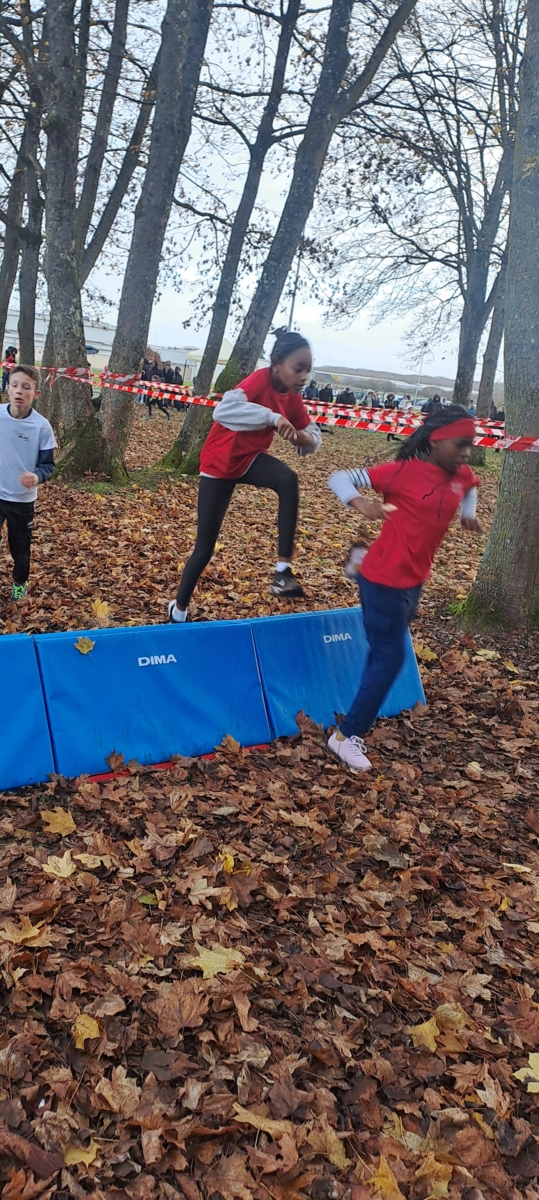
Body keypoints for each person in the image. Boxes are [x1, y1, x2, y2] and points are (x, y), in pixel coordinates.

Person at [326, 404, 481, 772]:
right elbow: (339, 477)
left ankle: (359, 563)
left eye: (470, 445)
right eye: (460, 444)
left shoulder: (460, 474)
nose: (466, 453)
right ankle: (345, 737)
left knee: (383, 651)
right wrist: (362, 504)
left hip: (414, 579)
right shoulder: (401, 473)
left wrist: (468, 513)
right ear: (436, 440)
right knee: (390, 657)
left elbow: (471, 486)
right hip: (385, 580)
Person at [167, 329, 322, 621]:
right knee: (204, 549)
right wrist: (271, 417)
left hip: (250, 459)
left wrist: (306, 439)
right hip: (219, 464)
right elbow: (223, 411)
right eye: (298, 369)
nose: (304, 377)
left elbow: (312, 434)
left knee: (288, 479)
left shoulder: (292, 397)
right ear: (276, 365)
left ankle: (283, 572)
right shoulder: (259, 381)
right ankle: (178, 611)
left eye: (308, 370)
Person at [0, 365, 56, 601]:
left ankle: (19, 584)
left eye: (26, 387)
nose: (19, 391)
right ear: (8, 389)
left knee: (20, 548)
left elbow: (48, 465)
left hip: (21, 501)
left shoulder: (41, 426)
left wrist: (37, 477)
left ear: (36, 393)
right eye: (14, 385)